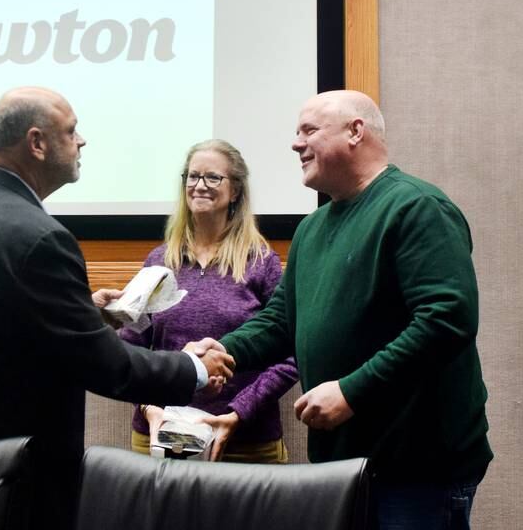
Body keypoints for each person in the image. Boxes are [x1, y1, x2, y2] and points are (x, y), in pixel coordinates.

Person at [0, 87, 235, 530]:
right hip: (7, 478)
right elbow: (103, 365)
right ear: (37, 144)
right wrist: (192, 369)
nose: (82, 141)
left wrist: (84, 311)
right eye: (71, 130)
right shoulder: (41, 237)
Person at [194, 90, 492, 529]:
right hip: (344, 465)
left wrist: (354, 390)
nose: (296, 144)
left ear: (356, 131)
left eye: (309, 131)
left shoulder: (416, 207)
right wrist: (225, 350)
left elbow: (447, 320)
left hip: (418, 468)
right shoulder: (313, 227)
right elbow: (280, 320)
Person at [120, 139, 298, 462]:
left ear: (236, 192)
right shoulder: (159, 262)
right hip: (160, 439)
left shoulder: (261, 262)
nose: (199, 185)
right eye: (192, 176)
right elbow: (129, 348)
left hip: (244, 442)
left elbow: (292, 353)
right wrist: (150, 408)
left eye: (213, 177)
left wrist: (238, 414)